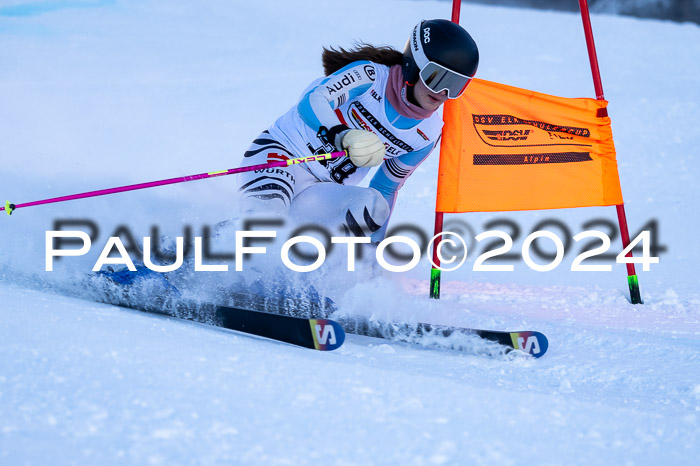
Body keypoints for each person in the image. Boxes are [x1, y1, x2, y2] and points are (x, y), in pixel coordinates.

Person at [238, 19, 479, 242]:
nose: (444, 93)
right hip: (280, 157)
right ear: (413, 66)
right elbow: (313, 101)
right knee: (265, 226)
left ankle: (313, 271)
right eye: (438, 78)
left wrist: (373, 252)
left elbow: (385, 188)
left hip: (319, 191)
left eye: (456, 85)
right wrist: (341, 133)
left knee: (373, 206)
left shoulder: (427, 133)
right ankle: (220, 250)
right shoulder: (370, 76)